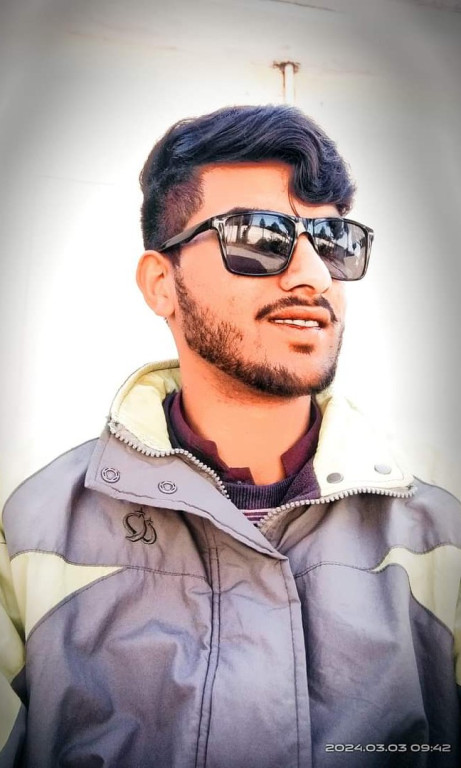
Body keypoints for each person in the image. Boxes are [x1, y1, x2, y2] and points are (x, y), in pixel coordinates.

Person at [1, 104, 460, 768]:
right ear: (161, 284)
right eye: (258, 236)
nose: (312, 275)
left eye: (334, 241)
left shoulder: (443, 531)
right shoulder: (26, 532)